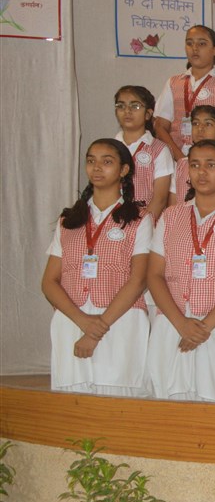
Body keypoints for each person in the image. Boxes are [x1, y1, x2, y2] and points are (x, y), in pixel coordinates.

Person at [147, 139, 215, 403]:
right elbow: (154, 275)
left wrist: (203, 327)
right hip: (173, 324)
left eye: (211, 165)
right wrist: (181, 324)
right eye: (195, 165)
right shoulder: (171, 216)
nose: (202, 172)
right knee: (170, 406)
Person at [42, 139, 152, 397]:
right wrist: (82, 321)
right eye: (91, 161)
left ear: (124, 170)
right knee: (71, 402)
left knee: (117, 400)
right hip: (72, 320)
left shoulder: (140, 219)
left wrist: (96, 329)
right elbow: (48, 282)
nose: (97, 167)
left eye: (107, 161)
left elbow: (138, 280)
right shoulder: (69, 220)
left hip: (120, 321)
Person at [153, 24, 215, 158]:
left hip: (209, 158)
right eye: (189, 43)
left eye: (202, 44)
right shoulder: (173, 82)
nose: (194, 48)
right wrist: (180, 158)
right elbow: (160, 126)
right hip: (175, 158)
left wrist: (201, 159)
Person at [113, 84, 172, 223]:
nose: (127, 111)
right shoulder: (109, 148)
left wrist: (141, 227)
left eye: (135, 106)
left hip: (146, 222)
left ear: (148, 114)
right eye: (121, 106)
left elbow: (160, 199)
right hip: (112, 222)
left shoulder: (159, 149)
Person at [170, 104, 215, 199]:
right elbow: (174, 201)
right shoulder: (181, 164)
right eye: (196, 123)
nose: (200, 128)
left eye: (208, 124)